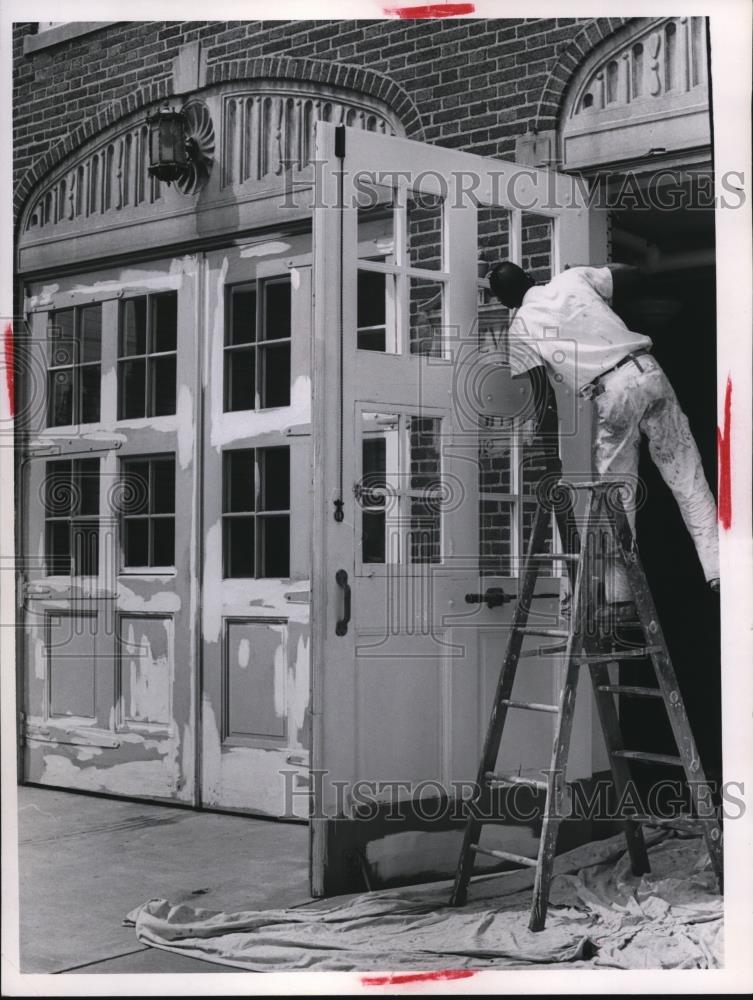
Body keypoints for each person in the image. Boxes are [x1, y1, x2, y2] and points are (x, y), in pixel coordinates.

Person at [487, 260, 720, 604]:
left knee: (618, 496)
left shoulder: (520, 328)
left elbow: (544, 399)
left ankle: (619, 594)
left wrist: (551, 458)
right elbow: (635, 273)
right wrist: (590, 271)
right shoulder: (571, 279)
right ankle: (717, 570)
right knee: (688, 476)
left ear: (506, 304)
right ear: (531, 277)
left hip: (611, 391)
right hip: (647, 370)